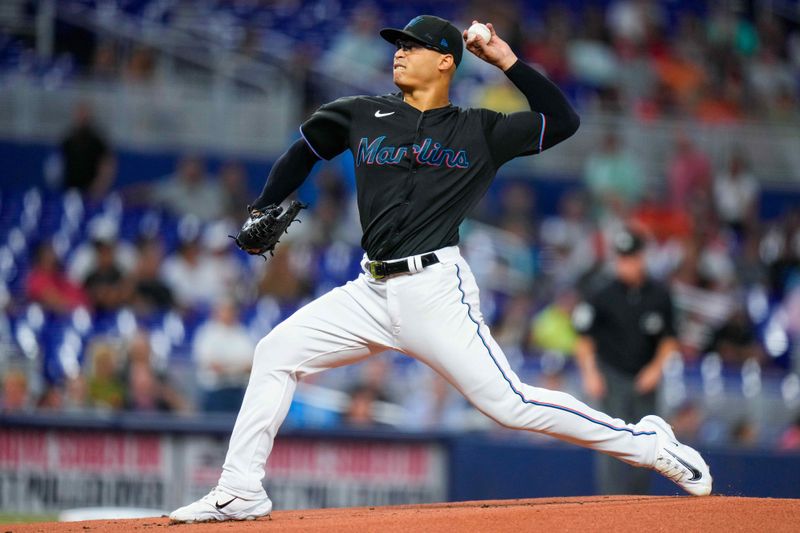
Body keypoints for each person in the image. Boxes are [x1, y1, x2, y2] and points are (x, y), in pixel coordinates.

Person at [170, 16, 711, 523]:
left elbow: (563, 121)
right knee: (275, 353)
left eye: (411, 45)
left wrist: (504, 58)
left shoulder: (480, 129)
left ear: (446, 61)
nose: (399, 53)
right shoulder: (362, 112)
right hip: (369, 290)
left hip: (434, 291)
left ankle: (649, 444)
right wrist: (264, 204)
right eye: (396, 46)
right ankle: (241, 489)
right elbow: (305, 149)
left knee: (511, 406)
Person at [573, 228, 680, 495]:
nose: (625, 264)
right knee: (610, 441)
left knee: (647, 442)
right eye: (621, 258)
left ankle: (638, 504)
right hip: (612, 376)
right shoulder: (602, 294)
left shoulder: (659, 294)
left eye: (630, 257)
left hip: (645, 377)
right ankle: (610, 503)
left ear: (642, 257)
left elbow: (669, 339)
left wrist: (656, 370)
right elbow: (584, 339)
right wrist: (590, 373)